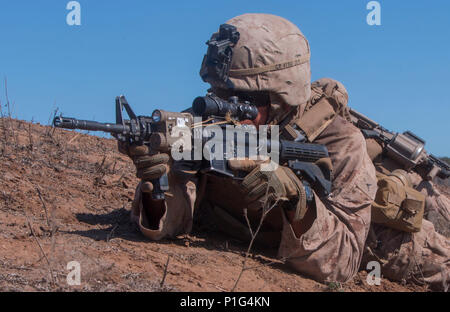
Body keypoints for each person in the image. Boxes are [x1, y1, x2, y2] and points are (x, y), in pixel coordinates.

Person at [119, 14, 449, 290]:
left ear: (281, 97)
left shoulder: (342, 144)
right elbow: (174, 220)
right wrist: (157, 183)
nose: (226, 111)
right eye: (219, 93)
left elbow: (344, 262)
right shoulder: (206, 127)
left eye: (243, 100)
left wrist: (298, 201)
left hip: (378, 237)